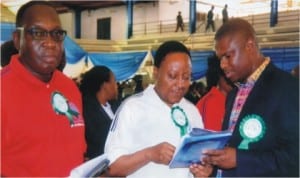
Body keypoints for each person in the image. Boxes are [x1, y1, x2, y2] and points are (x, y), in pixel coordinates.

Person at [202, 18, 299, 177]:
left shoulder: (288, 88)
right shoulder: (234, 94)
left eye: (227, 56)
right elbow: (231, 150)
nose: (222, 65)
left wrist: (240, 159)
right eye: (220, 58)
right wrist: (213, 169)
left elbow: (294, 158)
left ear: (249, 46)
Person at [1, 1, 86, 176]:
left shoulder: (69, 87)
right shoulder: (3, 90)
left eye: (56, 34)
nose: (50, 43)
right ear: (18, 39)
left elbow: (77, 150)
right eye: (38, 33)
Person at [104, 41, 212, 178]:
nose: (180, 84)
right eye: (172, 76)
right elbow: (111, 167)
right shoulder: (132, 108)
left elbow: (199, 161)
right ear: (156, 72)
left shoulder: (192, 111)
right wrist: (149, 154)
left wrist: (203, 172)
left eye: (186, 77)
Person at [79, 66, 119, 160]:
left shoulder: (114, 106)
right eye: (114, 82)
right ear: (105, 85)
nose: (116, 86)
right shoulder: (87, 110)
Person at [196, 53, 234, 131]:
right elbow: (213, 139)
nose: (232, 78)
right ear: (218, 76)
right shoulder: (211, 102)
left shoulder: (233, 99)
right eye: (227, 74)